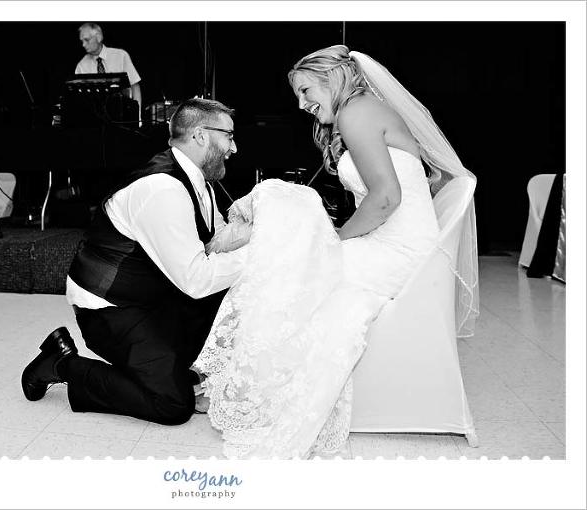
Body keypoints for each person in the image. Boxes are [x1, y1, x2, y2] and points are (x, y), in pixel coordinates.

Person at [194, 45, 479, 458]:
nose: (301, 103)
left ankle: (251, 389)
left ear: (334, 79)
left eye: (306, 90)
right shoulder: (364, 110)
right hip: (398, 245)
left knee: (291, 266)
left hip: (398, 251)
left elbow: (386, 198)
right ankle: (245, 384)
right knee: (293, 256)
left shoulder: (357, 111)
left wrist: (339, 239)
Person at [21, 98, 251, 425]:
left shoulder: (200, 181)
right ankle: (61, 364)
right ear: (201, 135)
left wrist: (257, 233)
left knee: (229, 297)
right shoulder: (163, 188)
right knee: (173, 404)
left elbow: (214, 242)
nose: (234, 147)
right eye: (228, 136)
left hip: (151, 296)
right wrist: (254, 255)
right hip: (110, 308)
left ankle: (172, 365)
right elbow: (196, 280)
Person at [75, 22, 142, 114]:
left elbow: (135, 86)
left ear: (98, 37)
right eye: (82, 41)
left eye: (86, 40)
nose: (83, 44)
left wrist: (138, 117)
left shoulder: (121, 56)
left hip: (122, 116)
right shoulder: (81, 66)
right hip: (94, 120)